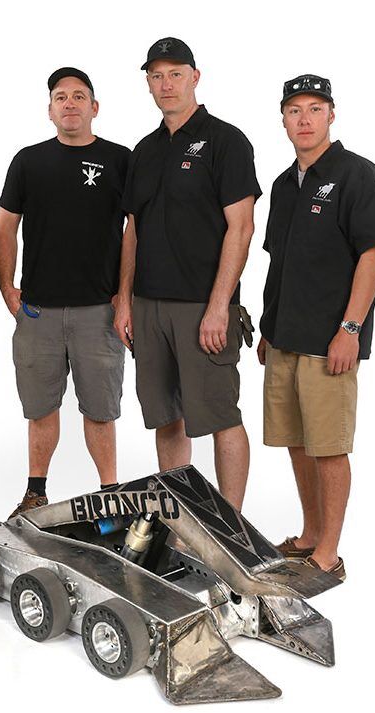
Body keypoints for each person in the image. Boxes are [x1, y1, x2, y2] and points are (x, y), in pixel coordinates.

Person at [258, 75, 375, 581]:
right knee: (296, 441)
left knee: (328, 446)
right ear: (283, 120)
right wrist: (269, 327)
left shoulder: (356, 173)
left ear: (331, 115)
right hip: (285, 337)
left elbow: (373, 255)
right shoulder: (283, 184)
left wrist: (350, 329)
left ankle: (328, 556)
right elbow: (278, 261)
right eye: (294, 110)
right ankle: (310, 535)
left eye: (315, 109)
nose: (304, 119)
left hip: (329, 341)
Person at [113, 38, 260, 509]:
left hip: (202, 305)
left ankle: (232, 525)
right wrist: (124, 301)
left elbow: (242, 227)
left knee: (220, 415)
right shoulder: (144, 150)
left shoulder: (226, 141)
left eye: (175, 74)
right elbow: (133, 230)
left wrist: (220, 306)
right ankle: (183, 517)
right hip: (148, 306)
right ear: (148, 84)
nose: (166, 84)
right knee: (166, 417)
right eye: (156, 76)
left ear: (195, 77)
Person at [0, 67, 131, 516]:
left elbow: (135, 232)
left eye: (79, 96)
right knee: (40, 408)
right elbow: (4, 229)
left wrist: (124, 295)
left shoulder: (120, 159)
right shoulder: (28, 161)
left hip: (99, 310)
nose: (69, 103)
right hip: (38, 312)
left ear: (95, 107)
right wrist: (8, 289)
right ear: (49, 110)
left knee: (101, 410)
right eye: (60, 97)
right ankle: (36, 491)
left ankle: (110, 493)